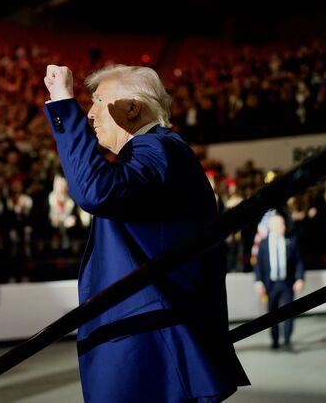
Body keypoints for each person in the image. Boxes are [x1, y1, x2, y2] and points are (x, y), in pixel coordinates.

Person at [43, 64, 248, 402]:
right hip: (152, 344)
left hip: (151, 350)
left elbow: (95, 190)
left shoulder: (157, 148)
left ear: (133, 108)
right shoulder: (158, 152)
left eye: (97, 101)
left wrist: (65, 103)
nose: (90, 114)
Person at [254, 213, 305, 350]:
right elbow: (258, 265)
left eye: (283, 224)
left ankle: (287, 339)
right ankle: (275, 339)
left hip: (287, 283)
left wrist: (300, 278)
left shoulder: (291, 241)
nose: (283, 227)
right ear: (272, 226)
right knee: (272, 313)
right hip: (271, 284)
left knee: (289, 311)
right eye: (280, 224)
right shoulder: (263, 244)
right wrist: (258, 282)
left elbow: (299, 261)